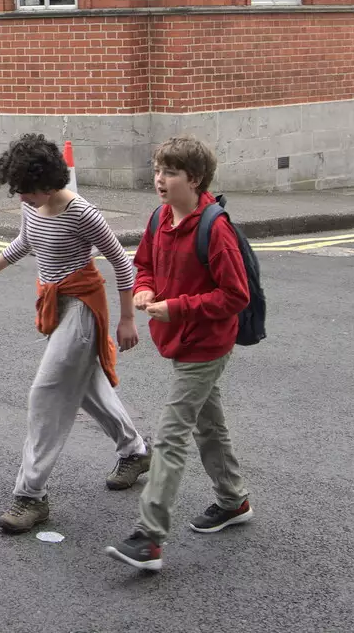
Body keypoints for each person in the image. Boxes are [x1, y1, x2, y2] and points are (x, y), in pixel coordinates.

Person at [0, 134, 151, 535]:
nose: (22, 197)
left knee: (46, 393)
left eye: (27, 190)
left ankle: (30, 496)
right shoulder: (32, 207)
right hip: (55, 306)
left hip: (83, 306)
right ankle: (135, 450)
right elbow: (25, 242)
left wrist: (127, 319)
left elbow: (121, 261)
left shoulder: (82, 213)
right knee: (86, 388)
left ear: (48, 184)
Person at [107, 136, 252, 574]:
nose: (159, 180)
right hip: (179, 340)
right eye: (158, 170)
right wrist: (145, 288)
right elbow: (145, 263)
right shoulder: (159, 218)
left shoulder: (215, 229)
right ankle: (233, 500)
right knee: (209, 424)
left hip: (206, 345)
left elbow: (235, 295)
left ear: (195, 179)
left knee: (171, 436)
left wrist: (177, 307)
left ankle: (149, 539)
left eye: (169, 172)